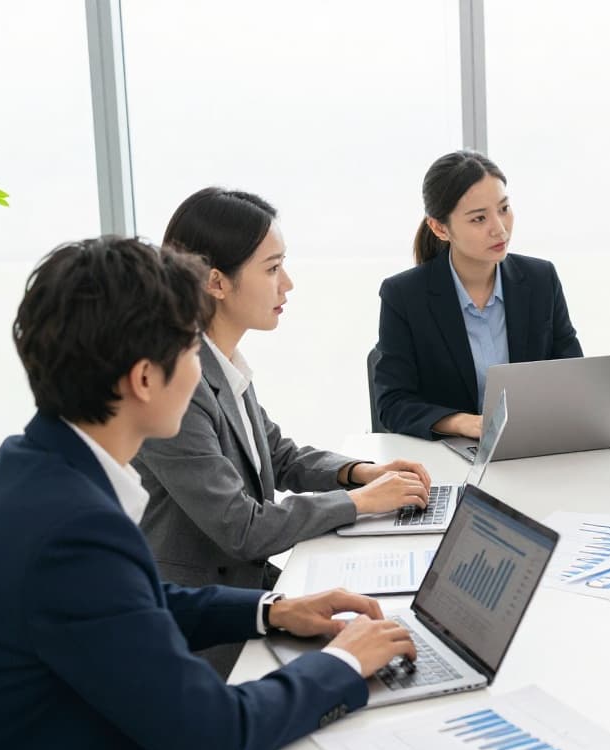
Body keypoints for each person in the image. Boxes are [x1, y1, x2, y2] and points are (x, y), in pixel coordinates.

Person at [0, 237, 417, 750]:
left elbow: (130, 604)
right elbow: (216, 735)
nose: (202, 371)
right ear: (144, 379)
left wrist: (272, 611)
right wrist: (344, 664)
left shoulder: (27, 463)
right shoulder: (75, 530)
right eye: (192, 350)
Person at [134, 188, 431, 676]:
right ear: (216, 283)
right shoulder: (179, 384)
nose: (287, 284)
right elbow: (242, 526)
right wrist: (363, 502)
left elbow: (278, 452)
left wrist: (360, 472)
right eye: (272, 269)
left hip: (252, 598)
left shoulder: (220, 360)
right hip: (201, 637)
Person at [375, 150, 583, 439]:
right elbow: (392, 403)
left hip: (531, 449)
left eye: (503, 208)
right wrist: (463, 423)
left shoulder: (540, 280)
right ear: (439, 227)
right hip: (449, 455)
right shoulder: (404, 296)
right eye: (478, 219)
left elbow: (572, 378)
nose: (499, 229)